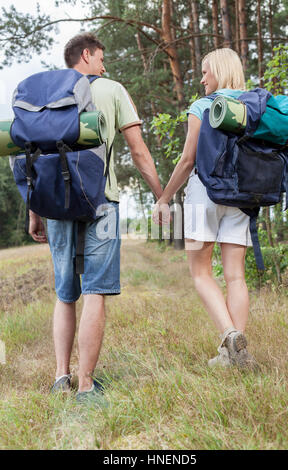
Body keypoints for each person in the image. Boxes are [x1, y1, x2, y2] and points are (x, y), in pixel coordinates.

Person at [29, 32, 163, 401]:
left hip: (55, 203)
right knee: (95, 292)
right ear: (85, 55)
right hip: (101, 201)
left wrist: (35, 212)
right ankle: (86, 385)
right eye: (101, 58)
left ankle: (61, 377)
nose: (105, 66)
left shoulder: (48, 96)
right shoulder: (113, 89)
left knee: (65, 293)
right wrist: (162, 196)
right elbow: (138, 151)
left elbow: (36, 158)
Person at [153, 48, 256, 368]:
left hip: (204, 196)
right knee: (236, 276)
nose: (201, 79)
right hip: (242, 197)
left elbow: (187, 160)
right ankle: (233, 354)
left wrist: (165, 197)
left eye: (205, 72)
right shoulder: (252, 107)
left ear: (220, 72)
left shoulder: (202, 105)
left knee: (200, 272)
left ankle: (229, 334)